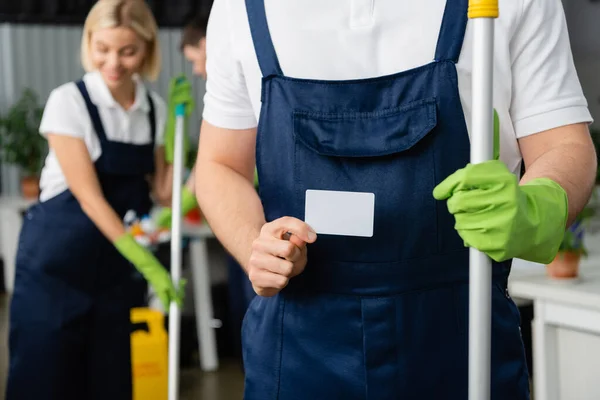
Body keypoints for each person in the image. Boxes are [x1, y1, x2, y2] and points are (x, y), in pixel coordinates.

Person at [195, 0, 597, 398]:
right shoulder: (240, 8)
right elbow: (219, 164)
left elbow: (563, 146)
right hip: (297, 349)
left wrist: (535, 209)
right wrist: (256, 247)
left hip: (463, 341)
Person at [6, 1, 184, 399]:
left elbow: (163, 194)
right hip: (55, 269)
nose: (113, 62)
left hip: (113, 277)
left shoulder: (152, 109)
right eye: (102, 48)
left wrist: (175, 131)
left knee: (110, 382)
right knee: (45, 380)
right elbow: (89, 198)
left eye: (127, 51)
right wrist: (145, 262)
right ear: (89, 42)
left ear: (148, 48)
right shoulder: (69, 101)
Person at [157, 10, 257, 359]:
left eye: (196, 59)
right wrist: (173, 131)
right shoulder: (223, 97)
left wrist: (178, 208)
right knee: (244, 307)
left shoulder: (251, 82)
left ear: (209, 42)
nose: (197, 70)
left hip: (261, 211)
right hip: (240, 216)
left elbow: (212, 167)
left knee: (256, 306)